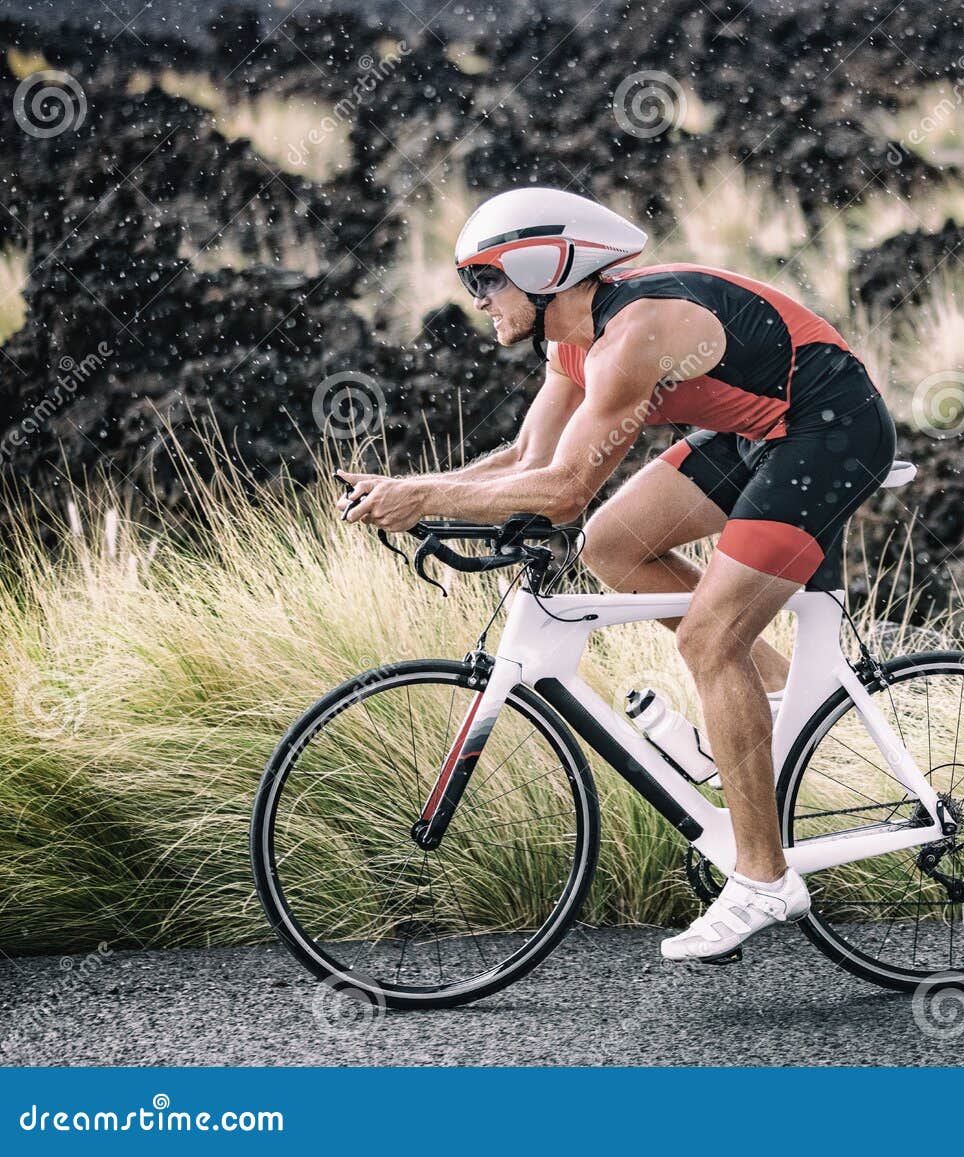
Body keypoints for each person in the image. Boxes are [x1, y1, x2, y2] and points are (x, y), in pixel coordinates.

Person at [335, 186, 895, 962]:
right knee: (612, 545)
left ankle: (765, 878)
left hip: (830, 427)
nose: (478, 301)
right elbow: (531, 462)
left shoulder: (634, 335)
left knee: (707, 642)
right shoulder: (571, 343)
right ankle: (765, 693)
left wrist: (424, 494)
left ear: (540, 268)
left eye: (485, 280)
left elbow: (563, 490)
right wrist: (429, 500)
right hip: (759, 430)